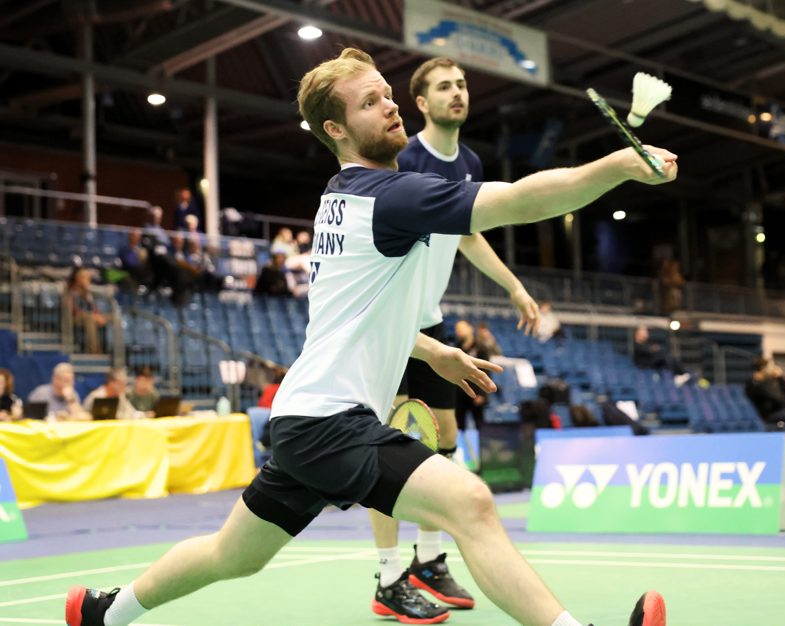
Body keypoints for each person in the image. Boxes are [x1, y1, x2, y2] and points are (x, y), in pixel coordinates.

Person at [66, 47, 675, 626]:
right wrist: (620, 166)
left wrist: (434, 349)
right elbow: (516, 200)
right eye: (369, 103)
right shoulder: (387, 196)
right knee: (471, 503)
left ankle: (103, 612)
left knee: (235, 555)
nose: (391, 107)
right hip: (330, 422)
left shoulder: (342, 199)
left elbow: (348, 316)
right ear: (335, 130)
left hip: (307, 418)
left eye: (388, 95)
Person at [367, 55, 539, 622]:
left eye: (462, 84)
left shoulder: (468, 161)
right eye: (444, 86)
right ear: (420, 102)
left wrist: (514, 286)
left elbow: (465, 233)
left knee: (442, 439)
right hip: (393, 322)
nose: (457, 93)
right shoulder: (404, 158)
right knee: (391, 443)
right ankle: (389, 575)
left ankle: (430, 558)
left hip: (432, 315)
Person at [65, 267, 109, 354]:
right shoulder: (70, 291)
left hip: (89, 316)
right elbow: (72, 310)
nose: (88, 281)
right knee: (90, 318)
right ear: (78, 279)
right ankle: (94, 352)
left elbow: (93, 307)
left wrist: (99, 316)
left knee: (112, 318)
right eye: (85, 278)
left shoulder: (88, 293)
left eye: (89, 278)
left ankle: (112, 352)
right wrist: (94, 316)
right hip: (75, 318)